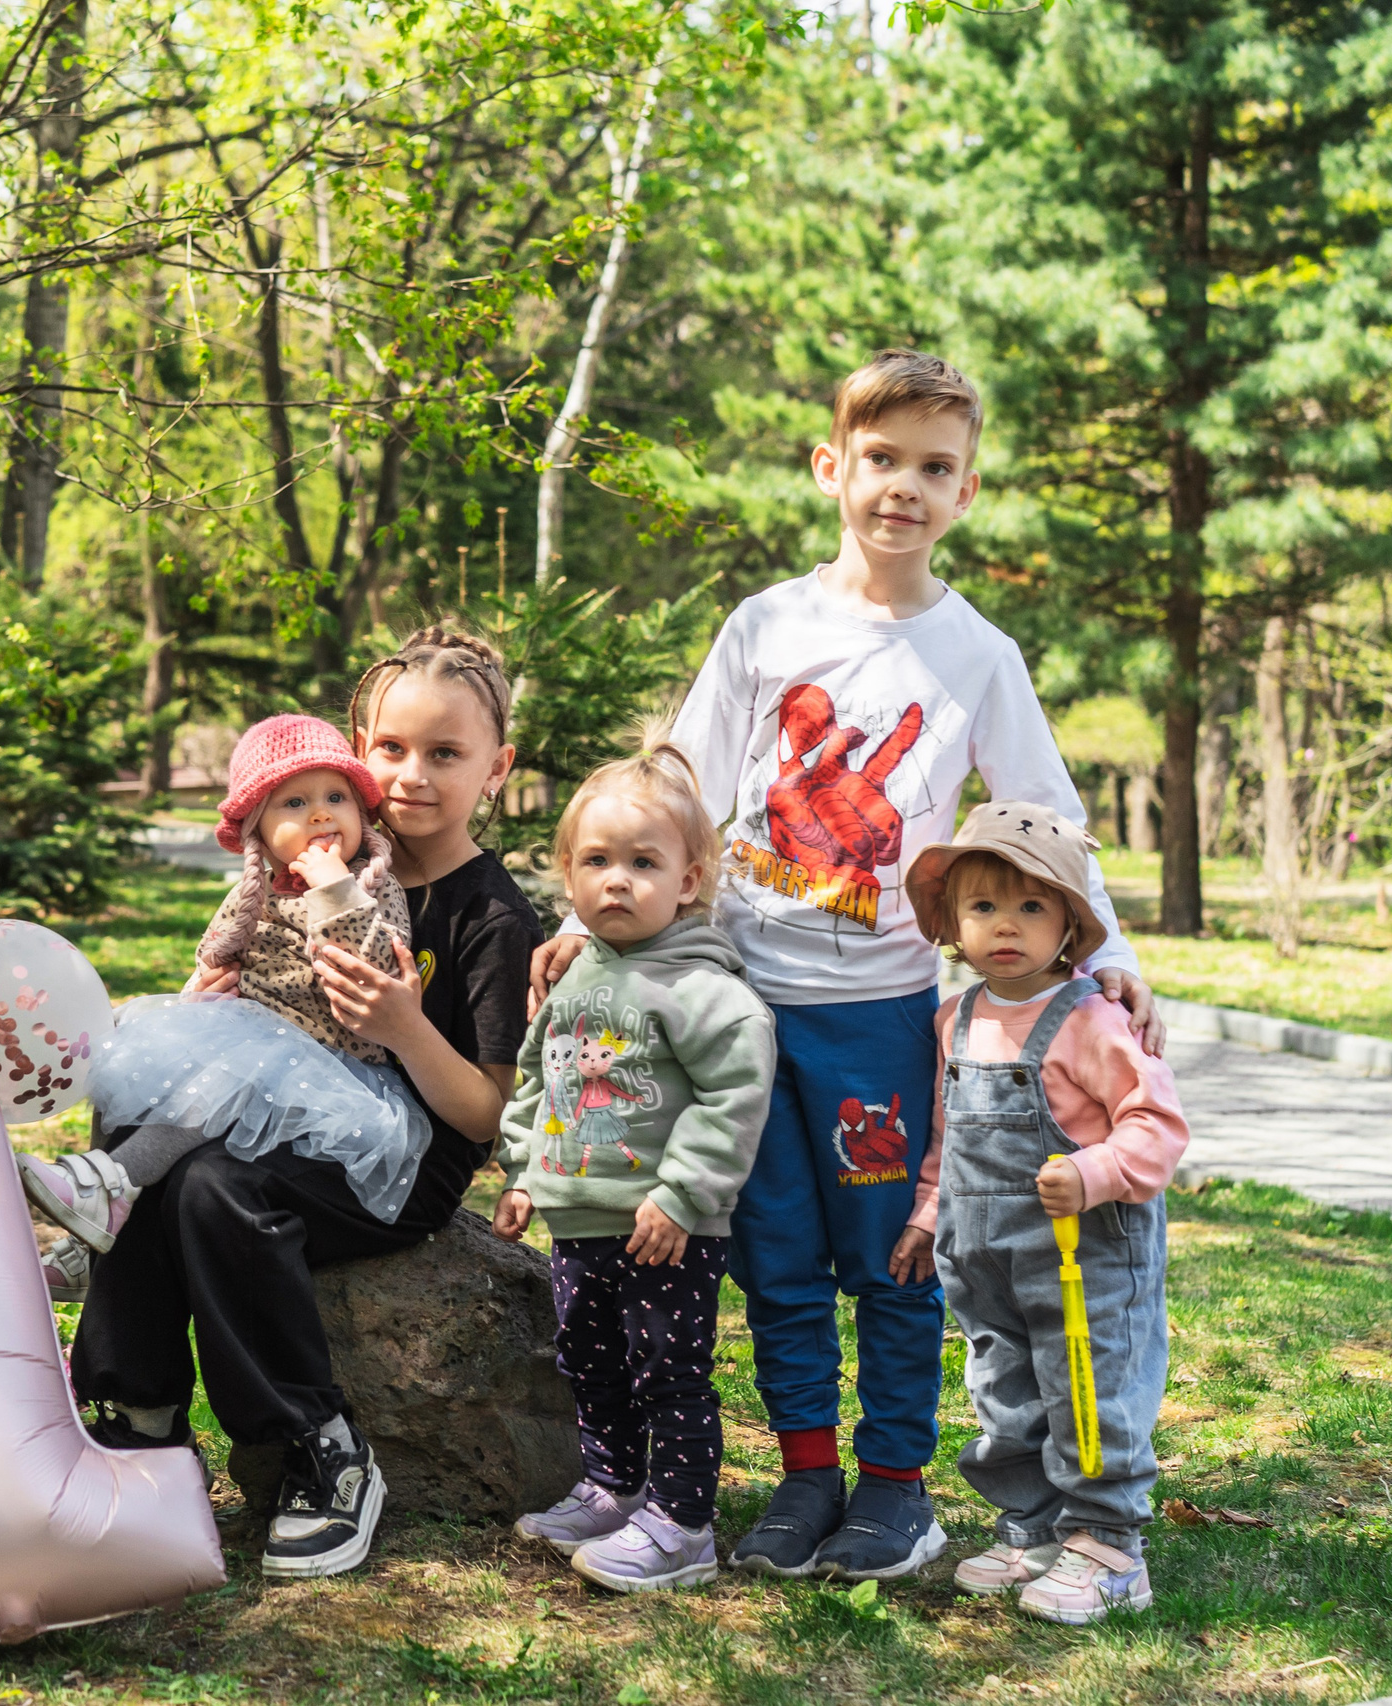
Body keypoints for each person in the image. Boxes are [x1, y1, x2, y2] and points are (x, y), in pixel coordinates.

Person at [529, 349, 1163, 1582]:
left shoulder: (978, 654)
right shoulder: (767, 625)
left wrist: (1115, 953)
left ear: (967, 491)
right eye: (880, 458)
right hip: (738, 1009)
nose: (902, 487)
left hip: (878, 1017)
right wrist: (584, 912)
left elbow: (1050, 817)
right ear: (831, 467)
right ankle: (806, 1473)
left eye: (934, 466)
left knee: (890, 1258)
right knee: (771, 1256)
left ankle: (893, 1486)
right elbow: (679, 787)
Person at [67, 627, 545, 1580]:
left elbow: (486, 1116)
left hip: (400, 1157)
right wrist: (208, 1005)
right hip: (287, 1111)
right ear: (357, 754)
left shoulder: (491, 916)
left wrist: (406, 1026)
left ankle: (318, 1444)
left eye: (446, 754)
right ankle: (140, 1415)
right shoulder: (309, 869)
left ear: (497, 769)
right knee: (142, 1119)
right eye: (391, 749)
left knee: (215, 1189)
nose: (412, 776)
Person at [491, 740, 772, 1593]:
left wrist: (683, 1195)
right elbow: (538, 1078)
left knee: (668, 1371)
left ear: (689, 882)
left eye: (643, 863)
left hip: (664, 1229)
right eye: (597, 861)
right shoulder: (577, 978)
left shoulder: (702, 989)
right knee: (589, 1359)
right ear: (568, 876)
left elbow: (735, 1093)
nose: (617, 881)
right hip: (578, 1219)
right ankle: (614, 1487)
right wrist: (522, 1173)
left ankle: (683, 1522)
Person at [901, 802, 1188, 1622]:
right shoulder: (955, 1020)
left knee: (1089, 1386)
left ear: (1069, 924)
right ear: (953, 922)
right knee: (1006, 1386)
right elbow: (947, 1136)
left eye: (1032, 906)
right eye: (984, 906)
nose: (1006, 925)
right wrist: (928, 1212)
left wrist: (1095, 1171)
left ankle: (1109, 1546)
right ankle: (1033, 1528)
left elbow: (1157, 1125)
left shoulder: (1093, 1018)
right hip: (983, 1253)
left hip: (1084, 1253)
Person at [20, 714, 428, 1247]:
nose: (321, 813)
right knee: (135, 1046)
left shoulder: (372, 887)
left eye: (337, 797)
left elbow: (376, 968)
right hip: (250, 1044)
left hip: (330, 1070)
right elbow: (212, 957)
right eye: (295, 803)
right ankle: (94, 1224)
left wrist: (335, 893)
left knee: (223, 1082)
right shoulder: (253, 895)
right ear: (258, 829)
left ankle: (112, 1182)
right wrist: (200, 993)